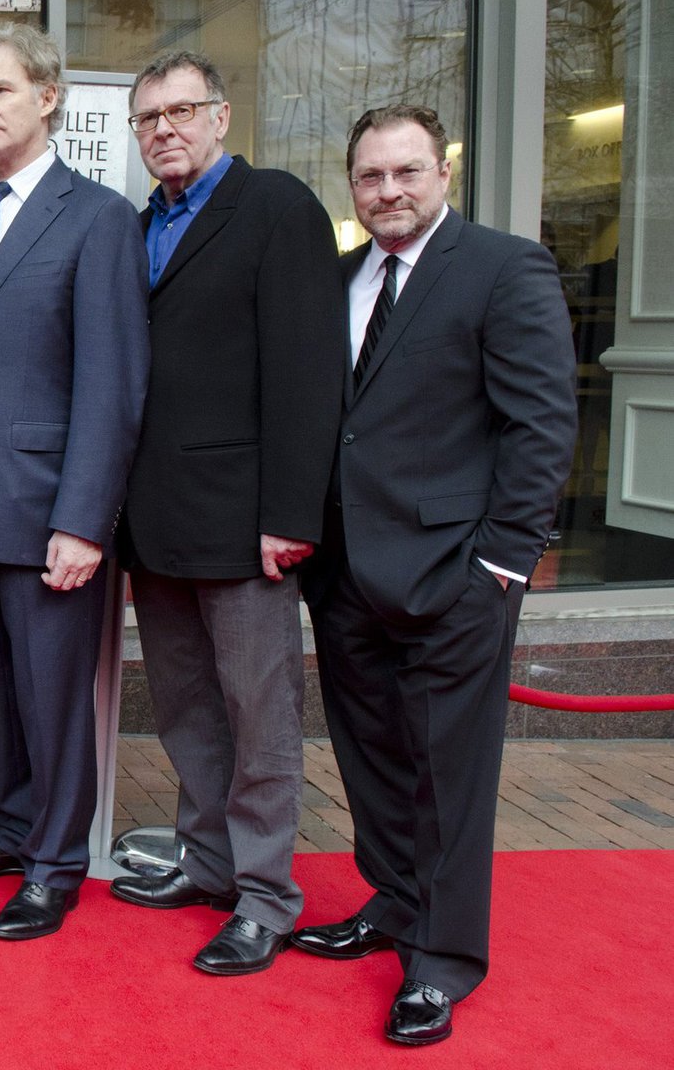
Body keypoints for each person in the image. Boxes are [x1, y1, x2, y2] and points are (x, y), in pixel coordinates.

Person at [293, 105, 577, 1045]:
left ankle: (444, 960)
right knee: (372, 759)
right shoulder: (341, 277)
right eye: (371, 177)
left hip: (456, 576)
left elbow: (540, 428)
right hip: (345, 576)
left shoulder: (504, 267)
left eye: (407, 172)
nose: (389, 192)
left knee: (450, 776)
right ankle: (397, 902)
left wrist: (500, 563)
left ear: (443, 172)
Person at [106, 51, 344, 973]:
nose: (164, 128)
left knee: (259, 714)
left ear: (221, 116)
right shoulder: (139, 226)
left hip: (248, 526)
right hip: (157, 525)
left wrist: (291, 513)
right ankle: (207, 863)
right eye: (148, 118)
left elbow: (307, 371)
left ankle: (267, 897)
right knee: (185, 711)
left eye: (181, 111)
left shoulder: (277, 208)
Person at [0, 21, 149, 941]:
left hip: (50, 508)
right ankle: (17, 828)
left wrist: (85, 521)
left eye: (1, 92)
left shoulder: (97, 216)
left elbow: (115, 381)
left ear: (47, 98)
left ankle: (58, 865)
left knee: (56, 699)